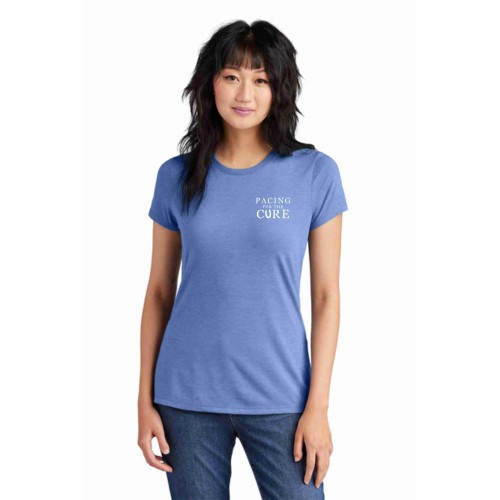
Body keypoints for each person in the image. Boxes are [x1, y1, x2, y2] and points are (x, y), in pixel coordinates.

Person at [137, 19, 349, 499]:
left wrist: (318, 407)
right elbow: (159, 292)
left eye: (261, 79)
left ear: (279, 88)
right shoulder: (175, 176)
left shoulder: (315, 174)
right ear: (210, 83)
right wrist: (144, 398)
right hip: (185, 397)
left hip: (282, 398)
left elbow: (326, 296)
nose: (244, 93)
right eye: (232, 76)